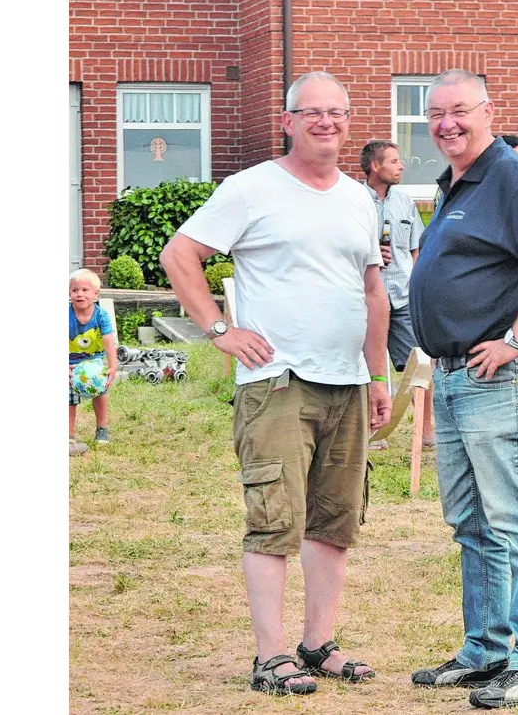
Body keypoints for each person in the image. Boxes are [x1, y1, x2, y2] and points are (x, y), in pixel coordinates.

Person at [161, 70, 391, 695]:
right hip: (278, 380)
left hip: (345, 379)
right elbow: (180, 255)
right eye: (311, 112)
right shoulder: (251, 188)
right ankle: (270, 657)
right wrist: (218, 329)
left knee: (335, 520)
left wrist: (377, 373)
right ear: (287, 122)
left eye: (337, 112)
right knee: (274, 518)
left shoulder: (357, 198)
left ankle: (318, 644)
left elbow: (372, 291)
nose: (326, 122)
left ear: (349, 121)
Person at [408, 70, 518, 707]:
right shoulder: (456, 181)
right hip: (454, 380)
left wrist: (514, 336)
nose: (446, 123)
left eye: (459, 111)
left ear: (487, 111)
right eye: (436, 114)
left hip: (497, 379)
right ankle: (486, 650)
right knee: (473, 524)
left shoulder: (507, 172)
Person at [359, 140, 425, 372]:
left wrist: (415, 285)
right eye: (394, 161)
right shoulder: (354, 200)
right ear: (375, 166)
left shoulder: (405, 202)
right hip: (363, 298)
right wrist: (373, 252)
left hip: (401, 296)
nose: (401, 166)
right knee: (364, 370)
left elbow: (415, 248)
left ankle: (417, 410)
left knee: (416, 369)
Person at [69, 268, 119, 454]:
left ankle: (101, 428)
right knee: (69, 398)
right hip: (70, 361)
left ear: (96, 294)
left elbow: (108, 341)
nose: (79, 294)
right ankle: (69, 434)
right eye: (74, 290)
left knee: (100, 391)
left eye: (84, 290)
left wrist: (113, 366)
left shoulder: (101, 316)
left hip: (94, 360)